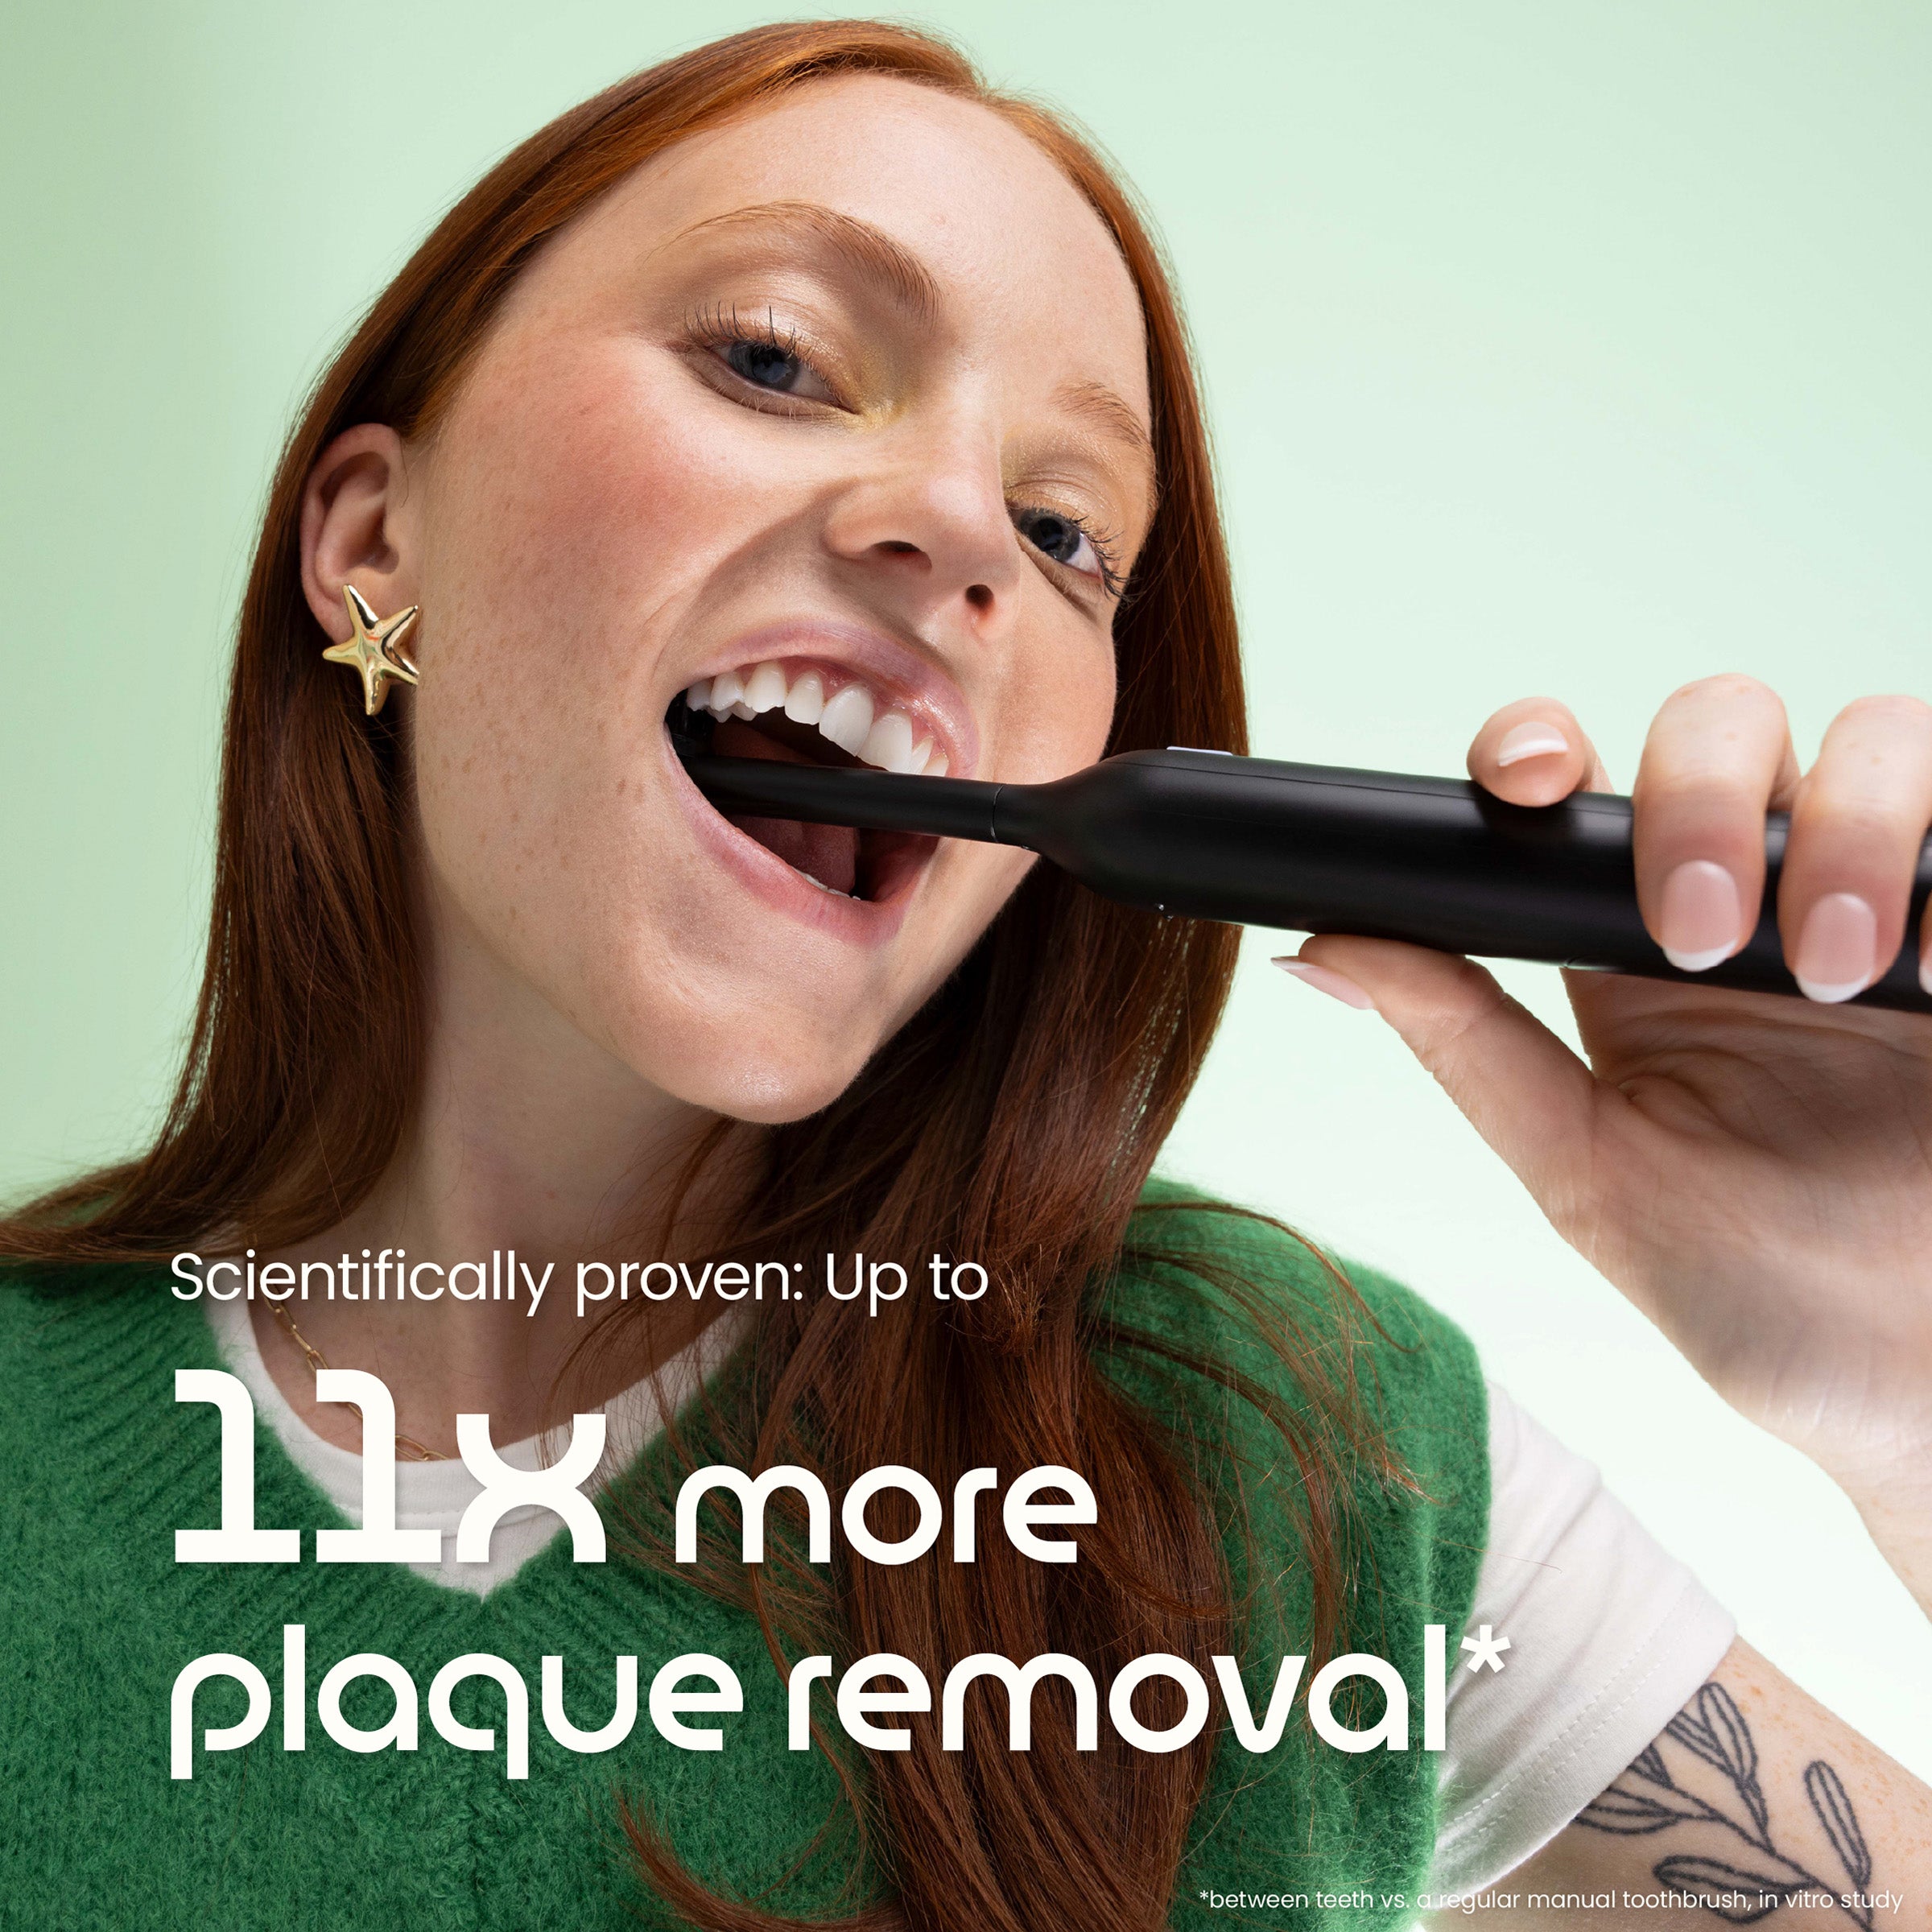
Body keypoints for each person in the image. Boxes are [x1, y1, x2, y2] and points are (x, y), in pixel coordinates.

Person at [1, 20, 1926, 1931]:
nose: (962, 535)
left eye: (1073, 527)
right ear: (371, 542)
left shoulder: (1286, 1450)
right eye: (773, 357)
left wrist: (1911, 1397)